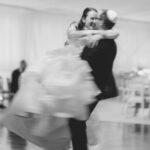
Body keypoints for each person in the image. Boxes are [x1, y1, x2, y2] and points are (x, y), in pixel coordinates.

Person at [67, 8, 119, 150]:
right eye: (92, 18)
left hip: (90, 89)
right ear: (84, 18)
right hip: (87, 87)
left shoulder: (104, 42)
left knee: (77, 121)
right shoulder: (100, 38)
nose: (95, 21)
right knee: (76, 121)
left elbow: (86, 60)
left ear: (102, 22)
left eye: (97, 18)